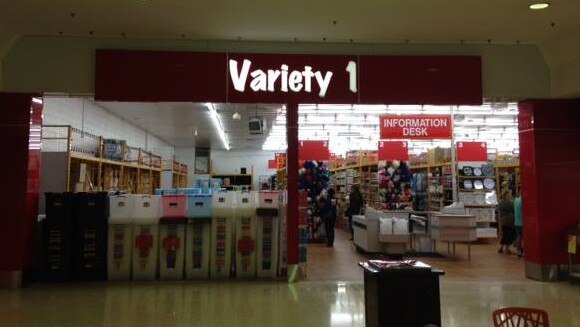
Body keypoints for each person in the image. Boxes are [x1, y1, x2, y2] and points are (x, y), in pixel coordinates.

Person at [513, 191, 523, 258]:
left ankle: (518, 252)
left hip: (516, 222)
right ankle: (525, 253)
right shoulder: (523, 201)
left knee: (518, 237)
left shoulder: (515, 200)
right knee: (525, 238)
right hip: (523, 222)